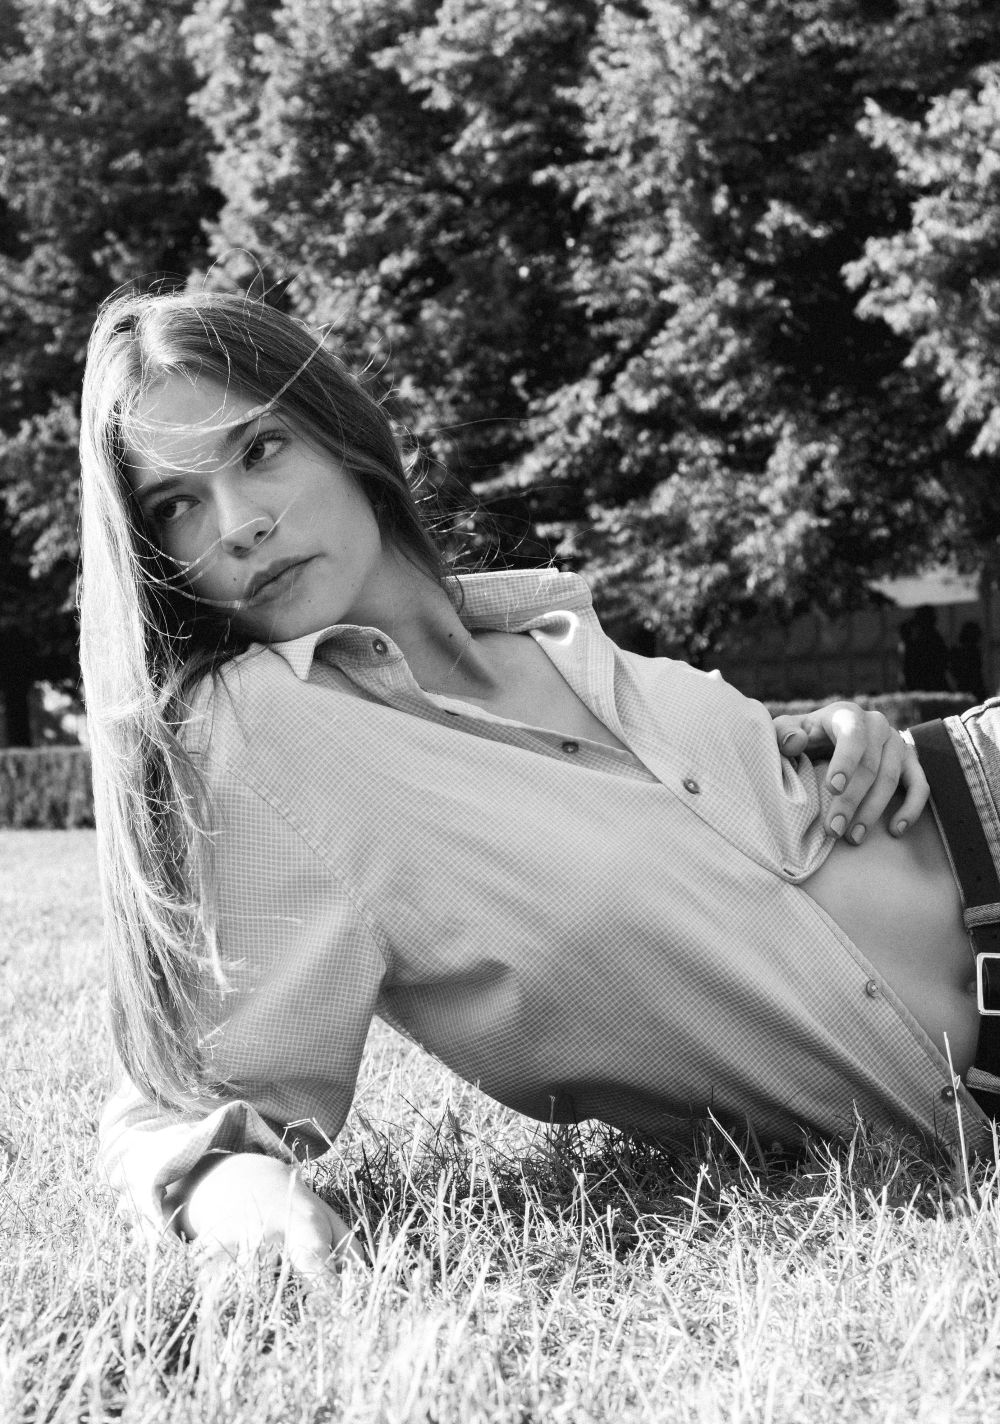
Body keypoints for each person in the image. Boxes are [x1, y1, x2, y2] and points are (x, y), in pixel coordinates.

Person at [81, 289, 998, 1284]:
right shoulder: (263, 732)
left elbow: (700, 832)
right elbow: (174, 1103)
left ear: (340, 434)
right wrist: (231, 1193)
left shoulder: (540, 622)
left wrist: (831, 735)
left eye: (261, 450)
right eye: (176, 504)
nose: (238, 525)